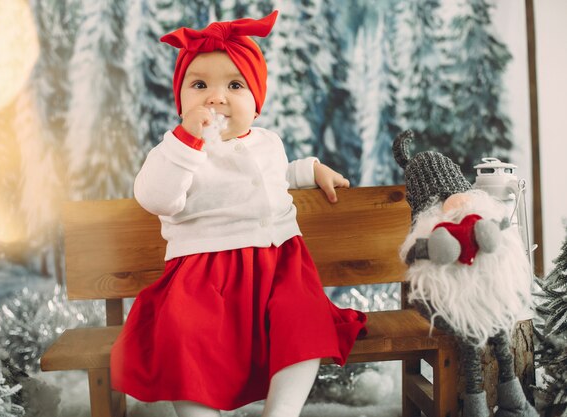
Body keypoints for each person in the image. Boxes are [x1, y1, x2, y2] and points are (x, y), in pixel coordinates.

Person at [110, 10, 367, 417]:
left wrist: (308, 170)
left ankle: (281, 411)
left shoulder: (267, 142)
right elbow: (156, 197)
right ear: (181, 103)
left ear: (256, 101)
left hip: (280, 264)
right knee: (185, 336)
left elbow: (269, 177)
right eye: (199, 85)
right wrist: (186, 141)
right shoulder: (177, 152)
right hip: (203, 276)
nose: (216, 97)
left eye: (234, 84)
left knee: (306, 324)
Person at [393, 130, 537, 417]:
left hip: (486, 294)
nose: (454, 200)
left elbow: (503, 232)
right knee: (471, 347)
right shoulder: (429, 229)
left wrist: (493, 234)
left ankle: (514, 401)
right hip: (457, 304)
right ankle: (476, 408)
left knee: (501, 338)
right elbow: (412, 257)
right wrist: (434, 248)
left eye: (454, 190)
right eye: (442, 195)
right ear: (427, 202)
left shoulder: (478, 213)